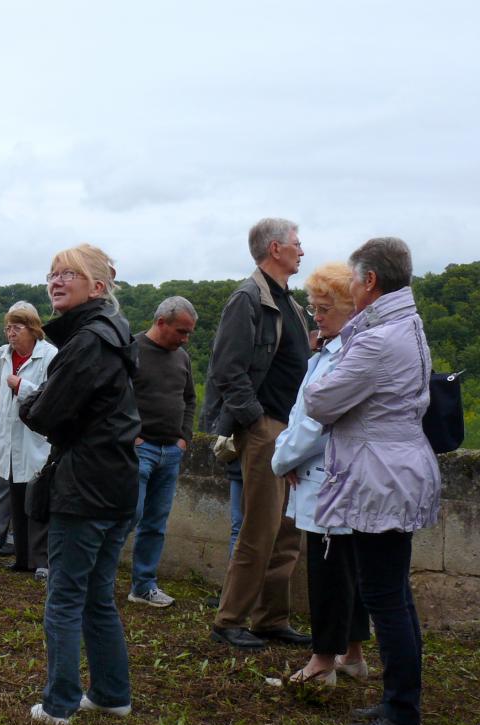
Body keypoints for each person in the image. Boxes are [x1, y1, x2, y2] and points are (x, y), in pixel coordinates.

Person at [305, 237, 441, 725]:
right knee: (394, 594)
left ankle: (402, 715)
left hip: (379, 475)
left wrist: (322, 377)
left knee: (385, 597)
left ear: (370, 281)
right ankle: (398, 702)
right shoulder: (408, 324)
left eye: (354, 278)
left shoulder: (377, 339)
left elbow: (320, 401)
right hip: (398, 467)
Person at [21, 244, 138, 725]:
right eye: (52, 273)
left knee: (66, 597)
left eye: (68, 274)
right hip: (117, 481)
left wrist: (28, 400)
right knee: (96, 595)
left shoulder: (88, 341)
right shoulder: (115, 333)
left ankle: (59, 703)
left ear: (98, 286)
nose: (55, 281)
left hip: (85, 485)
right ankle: (111, 693)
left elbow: (47, 413)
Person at [204, 217, 312, 650]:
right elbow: (227, 370)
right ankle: (229, 620)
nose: (302, 251)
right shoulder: (248, 298)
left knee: (287, 530)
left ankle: (270, 619)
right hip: (267, 427)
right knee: (260, 528)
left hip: (292, 429)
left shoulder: (290, 302)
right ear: (275, 248)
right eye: (296, 244)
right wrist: (255, 422)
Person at [271, 262, 369, 686]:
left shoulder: (344, 355)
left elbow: (313, 423)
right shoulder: (334, 351)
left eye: (325, 308)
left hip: (328, 477)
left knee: (329, 573)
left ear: (351, 308)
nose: (317, 316)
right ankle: (352, 655)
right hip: (334, 475)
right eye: (314, 307)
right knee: (348, 570)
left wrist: (281, 459)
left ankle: (322, 662)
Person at [127, 296, 197, 608]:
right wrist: (132, 437)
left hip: (171, 452)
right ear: (160, 323)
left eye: (188, 333)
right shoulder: (132, 350)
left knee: (155, 523)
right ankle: (93, 580)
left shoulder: (182, 358)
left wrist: (184, 438)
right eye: (181, 331)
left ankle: (143, 586)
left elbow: (189, 399)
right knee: (127, 516)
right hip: (139, 450)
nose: (185, 339)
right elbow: (116, 395)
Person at [0, 301, 57, 579]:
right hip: (9, 440)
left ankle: (42, 562)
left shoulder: (49, 355)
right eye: (8, 328)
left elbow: (51, 396)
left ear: (33, 329)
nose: (10, 334)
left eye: (17, 328)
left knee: (38, 501)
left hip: (36, 440)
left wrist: (22, 387)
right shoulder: (2, 355)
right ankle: (22, 559)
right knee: (16, 498)